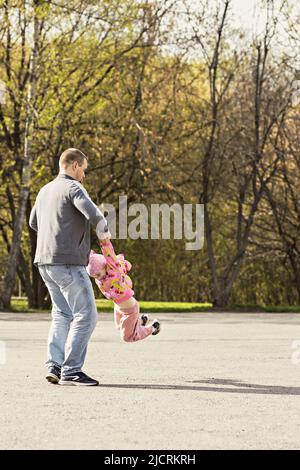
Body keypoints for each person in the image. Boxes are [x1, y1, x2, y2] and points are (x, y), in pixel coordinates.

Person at [29, 148, 111, 386]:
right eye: (83, 169)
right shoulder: (73, 188)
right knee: (86, 316)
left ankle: (54, 365)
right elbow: (96, 217)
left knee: (62, 314)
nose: (83, 175)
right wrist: (106, 242)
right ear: (75, 165)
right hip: (68, 263)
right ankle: (72, 370)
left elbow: (34, 222)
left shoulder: (44, 190)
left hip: (44, 262)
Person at [86, 239, 161, 342]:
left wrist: (104, 240)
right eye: (94, 276)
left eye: (98, 274)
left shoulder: (112, 269)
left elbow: (109, 252)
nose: (98, 278)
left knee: (127, 337)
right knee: (119, 326)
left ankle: (153, 327)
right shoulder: (99, 277)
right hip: (118, 306)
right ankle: (140, 321)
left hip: (130, 310)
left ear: (105, 265)